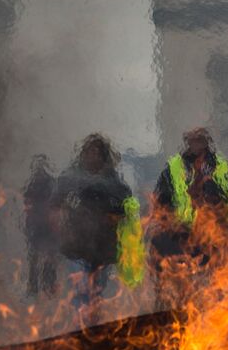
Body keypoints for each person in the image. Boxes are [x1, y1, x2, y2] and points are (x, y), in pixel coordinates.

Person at [51, 134, 143, 314]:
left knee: (96, 295)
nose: (93, 156)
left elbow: (124, 215)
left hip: (102, 251)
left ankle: (92, 328)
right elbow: (54, 207)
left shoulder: (116, 186)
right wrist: (61, 232)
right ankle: (82, 330)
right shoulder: (69, 180)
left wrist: (107, 218)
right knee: (81, 294)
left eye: (98, 152)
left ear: (104, 157)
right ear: (83, 154)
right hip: (76, 249)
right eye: (89, 151)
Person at [152, 127, 228, 258]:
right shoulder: (173, 168)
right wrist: (174, 225)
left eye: (200, 142)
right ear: (187, 146)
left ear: (207, 145)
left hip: (215, 236)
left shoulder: (222, 167)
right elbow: (159, 207)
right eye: (193, 142)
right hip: (181, 238)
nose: (199, 158)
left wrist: (215, 199)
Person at [22, 155, 58, 298]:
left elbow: (55, 203)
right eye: (38, 165)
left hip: (46, 225)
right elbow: (27, 202)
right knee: (36, 258)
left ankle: (45, 286)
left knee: (46, 257)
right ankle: (37, 287)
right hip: (37, 225)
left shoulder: (48, 183)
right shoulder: (34, 183)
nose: (40, 168)